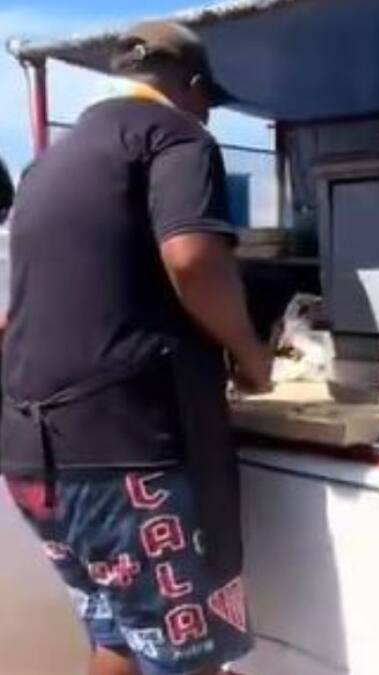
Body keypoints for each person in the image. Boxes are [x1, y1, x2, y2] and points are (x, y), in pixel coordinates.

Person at [0, 21, 272, 675]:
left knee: (119, 635)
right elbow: (192, 259)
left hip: (32, 458)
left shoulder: (49, 163)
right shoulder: (176, 134)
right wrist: (249, 351)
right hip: (124, 455)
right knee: (188, 655)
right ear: (194, 87)